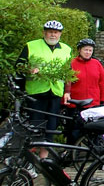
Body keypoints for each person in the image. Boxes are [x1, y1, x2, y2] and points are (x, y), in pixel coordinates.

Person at [17, 20, 72, 149]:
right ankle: (29, 162)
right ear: (44, 33)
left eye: (56, 33)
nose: (53, 35)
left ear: (60, 34)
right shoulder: (31, 46)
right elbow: (18, 66)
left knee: (50, 130)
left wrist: (67, 91)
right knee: (35, 128)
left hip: (55, 93)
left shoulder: (66, 49)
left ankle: (43, 161)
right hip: (36, 93)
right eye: (50, 32)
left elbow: (68, 73)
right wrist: (28, 70)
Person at [64, 38, 104, 144]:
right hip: (75, 104)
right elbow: (66, 82)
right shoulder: (72, 63)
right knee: (74, 130)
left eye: (90, 50)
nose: (88, 52)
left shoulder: (97, 64)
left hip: (93, 103)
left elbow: (102, 83)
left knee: (93, 131)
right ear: (79, 50)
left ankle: (92, 152)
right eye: (85, 50)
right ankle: (71, 152)